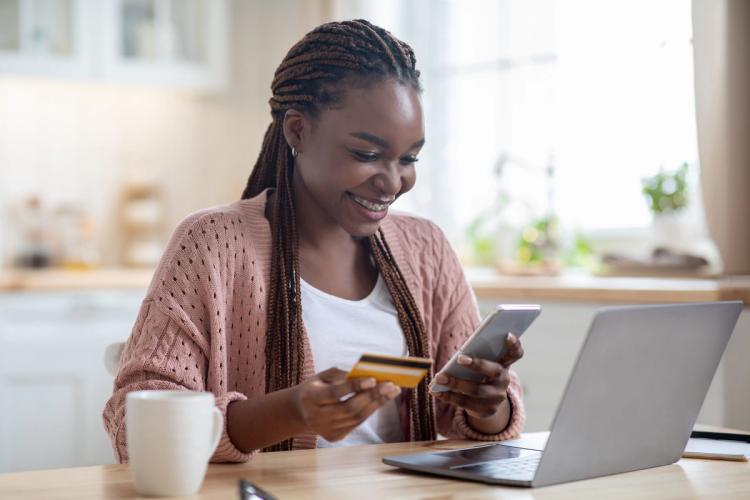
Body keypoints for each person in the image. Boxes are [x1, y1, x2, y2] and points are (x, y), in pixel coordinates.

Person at [103, 19, 525, 462]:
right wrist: (289, 412)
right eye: (366, 154)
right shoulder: (213, 244)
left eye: (409, 158)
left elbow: (469, 425)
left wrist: (488, 406)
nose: (392, 182)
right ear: (298, 131)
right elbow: (135, 427)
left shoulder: (426, 247)